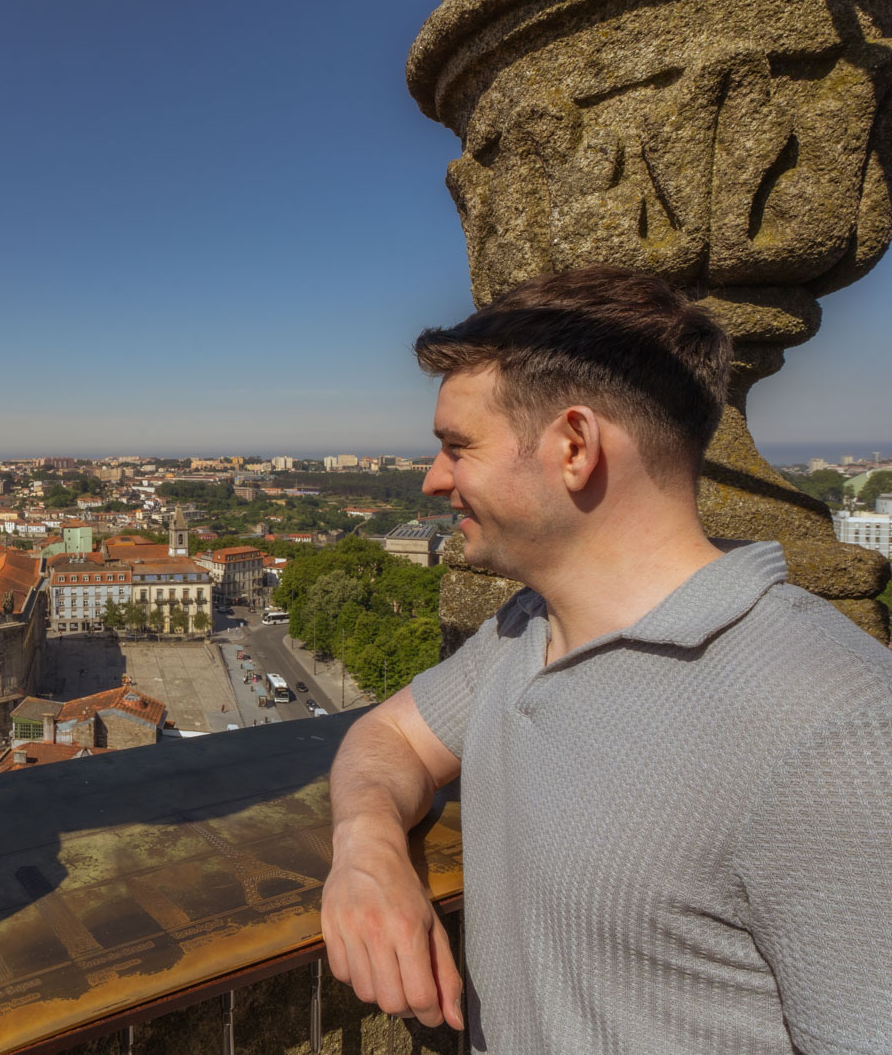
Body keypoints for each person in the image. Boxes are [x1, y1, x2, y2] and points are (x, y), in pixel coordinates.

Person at [320, 266, 892, 1052]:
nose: (433, 479)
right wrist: (366, 846)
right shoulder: (526, 630)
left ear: (575, 446)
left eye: (458, 447)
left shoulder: (835, 726)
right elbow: (388, 739)